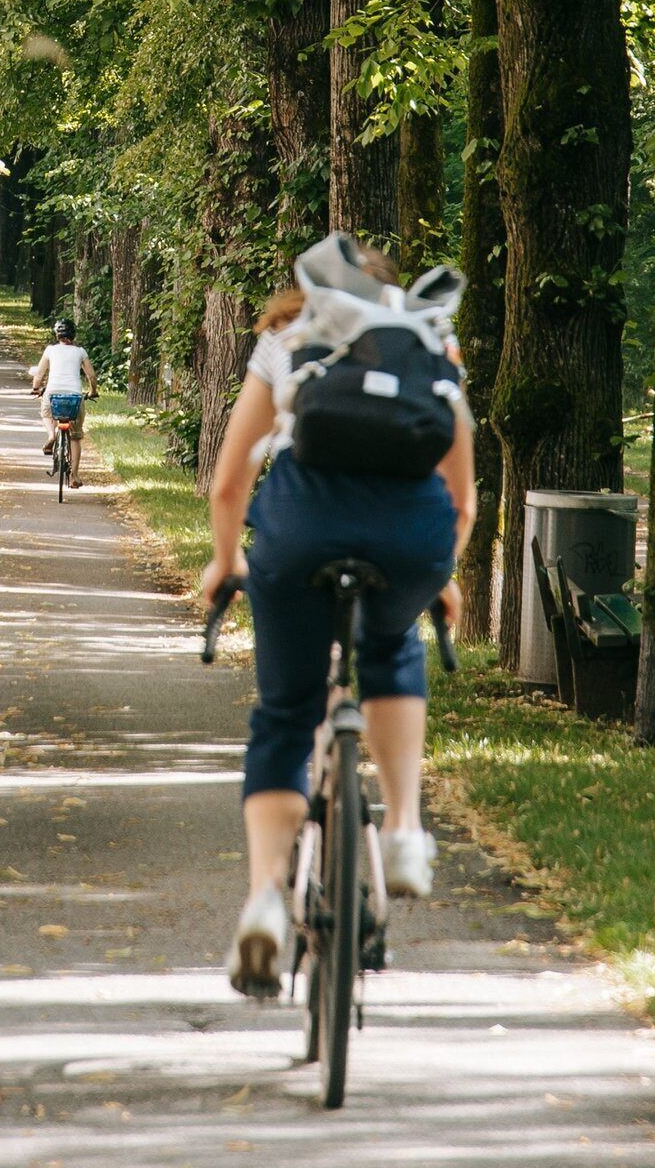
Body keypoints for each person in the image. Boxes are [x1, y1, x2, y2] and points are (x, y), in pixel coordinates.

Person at [194, 236, 474, 999]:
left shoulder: (287, 342)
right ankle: (406, 831)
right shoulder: (428, 341)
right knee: (391, 644)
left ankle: (262, 904)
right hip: (411, 538)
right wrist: (436, 575)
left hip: (301, 531)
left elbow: (230, 481)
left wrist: (227, 562)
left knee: (285, 714)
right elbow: (461, 495)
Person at [29, 316, 93, 461]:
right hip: (75, 395)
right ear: (73, 334)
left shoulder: (50, 350)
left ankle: (51, 435)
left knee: (46, 413)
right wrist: (93, 391)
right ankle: (75, 476)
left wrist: (35, 388)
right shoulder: (80, 351)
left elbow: (39, 374)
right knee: (75, 438)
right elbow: (91, 376)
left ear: (57, 335)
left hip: (52, 393)